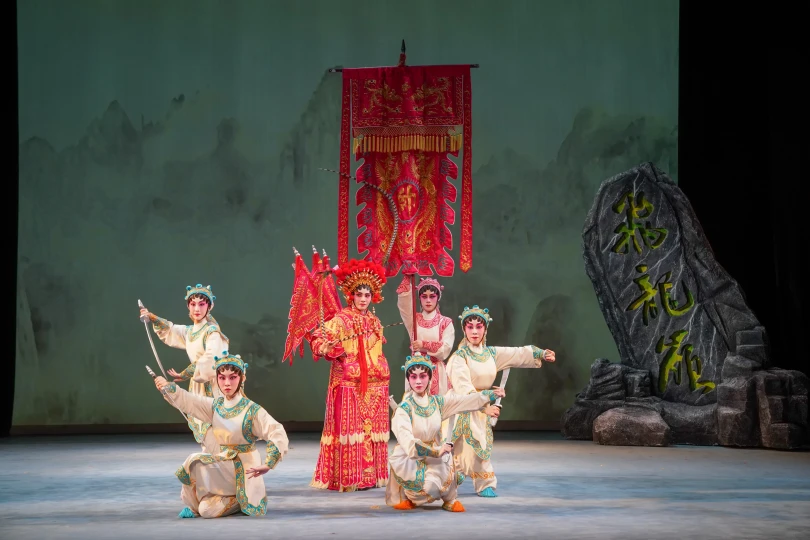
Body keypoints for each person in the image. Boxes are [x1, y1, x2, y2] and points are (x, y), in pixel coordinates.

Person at [153, 351, 289, 518]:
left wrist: (269, 463)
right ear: (216, 379)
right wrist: (167, 387)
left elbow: (276, 430)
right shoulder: (216, 406)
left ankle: (241, 497)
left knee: (195, 465)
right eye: (222, 378)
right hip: (223, 461)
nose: (227, 383)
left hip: (243, 468)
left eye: (232, 377)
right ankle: (195, 505)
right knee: (204, 505)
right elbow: (188, 400)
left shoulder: (251, 410)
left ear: (242, 379)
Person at [446, 305, 556, 498]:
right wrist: (484, 407)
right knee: (454, 444)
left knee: (480, 446)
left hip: (482, 405)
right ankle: (453, 473)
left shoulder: (491, 354)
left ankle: (484, 482)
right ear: (464, 329)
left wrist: (540, 353)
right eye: (469, 327)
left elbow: (517, 353)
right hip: (462, 404)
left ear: (485, 330)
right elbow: (463, 386)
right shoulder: (459, 357)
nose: (474, 331)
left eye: (478, 327)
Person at [309, 258, 391, 492]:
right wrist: (329, 348)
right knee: (351, 431)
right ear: (351, 295)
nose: (363, 298)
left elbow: (377, 350)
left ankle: (371, 475)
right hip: (348, 384)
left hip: (374, 385)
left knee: (369, 430)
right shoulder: (341, 319)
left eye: (367, 294)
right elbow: (318, 339)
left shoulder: (374, 321)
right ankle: (350, 476)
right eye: (359, 294)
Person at [386, 353, 504, 512]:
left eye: (423, 376)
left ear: (430, 377)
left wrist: (490, 394)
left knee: (444, 476)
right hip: (412, 455)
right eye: (413, 377)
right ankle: (410, 497)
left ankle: (450, 499)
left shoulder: (437, 402)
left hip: (435, 452)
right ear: (408, 379)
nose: (419, 381)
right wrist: (436, 451)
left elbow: (463, 402)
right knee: (427, 487)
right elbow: (408, 442)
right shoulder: (404, 409)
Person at [140, 284, 228, 453]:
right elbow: (172, 330)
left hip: (213, 384)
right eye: (193, 304)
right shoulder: (191, 331)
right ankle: (211, 460)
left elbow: (211, 359)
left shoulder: (212, 332)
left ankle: (221, 462)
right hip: (198, 384)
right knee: (202, 426)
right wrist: (152, 317)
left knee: (216, 425)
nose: (197, 308)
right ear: (188, 306)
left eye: (202, 304)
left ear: (209, 307)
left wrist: (186, 373)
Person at [396, 275, 455, 397]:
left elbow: (445, 350)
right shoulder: (413, 319)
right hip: (416, 370)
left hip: (436, 372)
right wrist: (407, 277)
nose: (428, 300)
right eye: (424, 296)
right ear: (419, 298)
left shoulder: (445, 322)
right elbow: (404, 304)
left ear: (438, 298)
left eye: (432, 296)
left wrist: (423, 345)